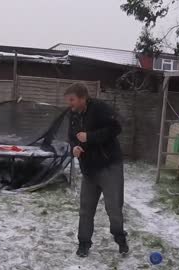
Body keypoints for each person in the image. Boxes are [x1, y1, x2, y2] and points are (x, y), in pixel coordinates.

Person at [64, 83, 129, 257]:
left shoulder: (100, 108)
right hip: (89, 170)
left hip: (109, 167)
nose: (70, 104)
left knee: (113, 208)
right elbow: (71, 137)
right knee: (85, 209)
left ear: (83, 98)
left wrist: (90, 137)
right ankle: (84, 244)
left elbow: (116, 128)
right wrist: (75, 147)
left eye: (72, 100)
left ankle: (120, 239)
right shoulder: (73, 114)